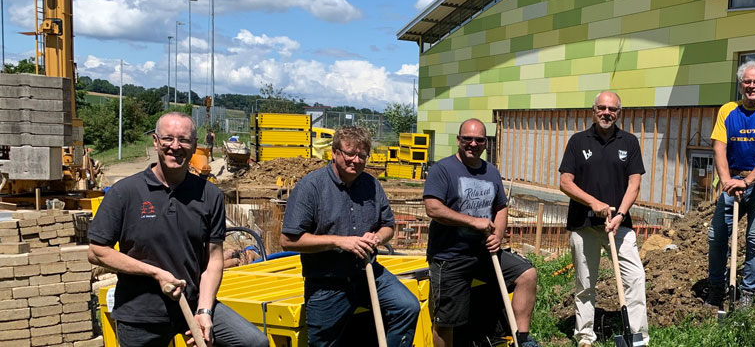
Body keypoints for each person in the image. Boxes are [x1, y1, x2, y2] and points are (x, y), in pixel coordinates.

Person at [88, 112, 267, 347]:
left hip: (191, 303)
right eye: (168, 139)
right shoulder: (126, 192)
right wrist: (155, 273)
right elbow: (97, 251)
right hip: (140, 312)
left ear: (194, 146)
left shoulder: (209, 195)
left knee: (253, 342)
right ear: (155, 141)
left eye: (184, 140)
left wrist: (204, 310)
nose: (175, 146)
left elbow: (214, 259)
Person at [280, 126, 421, 347]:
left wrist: (377, 238)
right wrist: (338, 241)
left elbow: (388, 227)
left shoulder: (371, 185)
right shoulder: (311, 187)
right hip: (327, 281)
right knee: (323, 343)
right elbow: (288, 240)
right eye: (350, 153)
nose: (355, 160)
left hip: (367, 273)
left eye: (362, 155)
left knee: (407, 306)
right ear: (335, 153)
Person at [423, 119, 540, 347]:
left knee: (527, 274)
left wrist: (498, 234)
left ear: (486, 143)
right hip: (450, 257)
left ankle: (522, 339)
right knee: (447, 320)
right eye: (467, 138)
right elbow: (432, 208)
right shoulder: (443, 169)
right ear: (459, 140)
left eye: (479, 140)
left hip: (484, 253)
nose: (473, 144)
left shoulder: (491, 172)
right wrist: (472, 221)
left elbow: (501, 207)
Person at [559, 91, 649, 347]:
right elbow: (565, 182)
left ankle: (638, 336)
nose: (606, 112)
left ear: (619, 113)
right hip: (583, 224)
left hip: (619, 224)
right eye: (602, 108)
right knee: (586, 283)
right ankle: (585, 335)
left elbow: (634, 183)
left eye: (612, 109)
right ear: (593, 110)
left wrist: (620, 213)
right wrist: (593, 203)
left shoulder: (629, 141)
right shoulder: (578, 141)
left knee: (635, 278)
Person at [705, 60, 755, 308]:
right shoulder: (727, 110)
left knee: (754, 237)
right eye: (747, 81)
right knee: (716, 235)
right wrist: (728, 180)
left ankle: (748, 292)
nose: (752, 86)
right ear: (740, 85)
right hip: (733, 182)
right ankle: (717, 287)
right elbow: (719, 147)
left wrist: (748, 181)